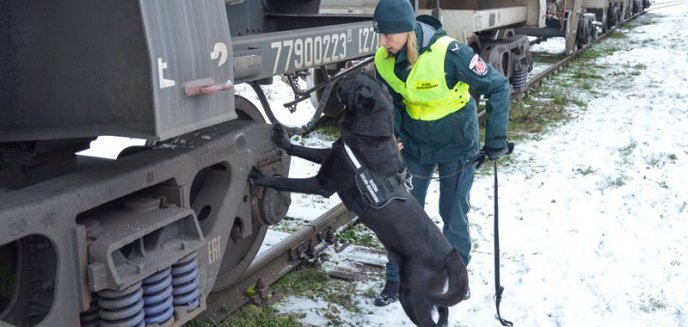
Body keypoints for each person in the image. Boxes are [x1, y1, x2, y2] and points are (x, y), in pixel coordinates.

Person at [371, 0, 512, 307]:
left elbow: (498, 86)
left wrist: (496, 140)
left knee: (453, 213)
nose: (382, 43)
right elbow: (388, 102)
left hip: (457, 143)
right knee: (402, 214)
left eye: (387, 35)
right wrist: (391, 135)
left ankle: (457, 280)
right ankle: (397, 279)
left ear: (407, 31)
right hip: (415, 144)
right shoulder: (383, 60)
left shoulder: (450, 53)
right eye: (379, 35)